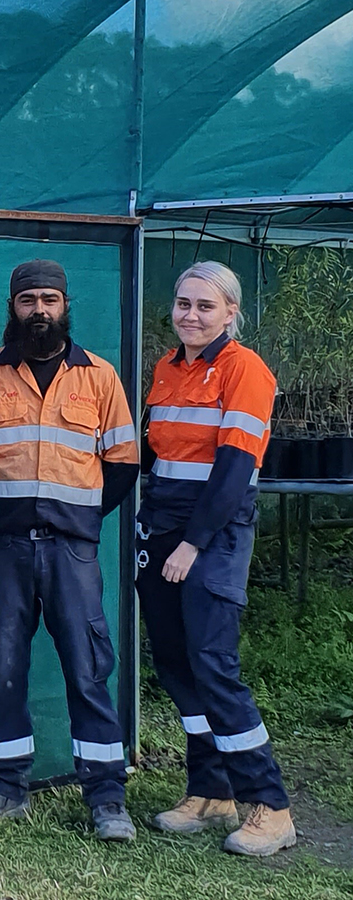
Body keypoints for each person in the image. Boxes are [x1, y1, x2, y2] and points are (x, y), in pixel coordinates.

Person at [0, 259, 140, 841]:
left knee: (88, 671)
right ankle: (4, 788)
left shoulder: (100, 377)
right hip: (1, 549)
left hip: (71, 552)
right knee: (3, 669)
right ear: (13, 306)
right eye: (29, 300)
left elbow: (124, 466)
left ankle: (106, 798)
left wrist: (79, 515)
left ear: (66, 304)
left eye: (50, 299)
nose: (40, 310)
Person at [137, 260, 295, 856]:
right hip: (162, 524)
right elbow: (157, 458)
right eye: (183, 304)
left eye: (206, 306)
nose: (192, 315)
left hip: (213, 529)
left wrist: (191, 544)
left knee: (213, 662)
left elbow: (233, 471)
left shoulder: (245, 369)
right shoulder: (168, 367)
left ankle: (270, 805)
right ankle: (210, 790)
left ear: (231, 312)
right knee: (177, 664)